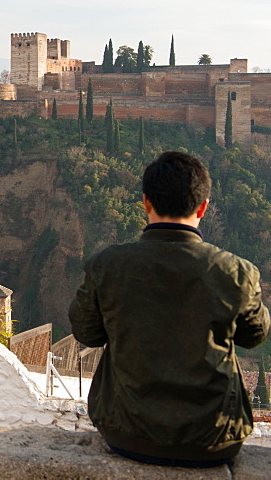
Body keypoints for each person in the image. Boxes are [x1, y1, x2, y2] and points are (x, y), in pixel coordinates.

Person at [70, 151, 270, 467]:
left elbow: (86, 332)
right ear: (203, 207)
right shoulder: (236, 272)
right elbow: (255, 335)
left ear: (146, 202)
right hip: (214, 439)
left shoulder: (107, 266)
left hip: (126, 433)